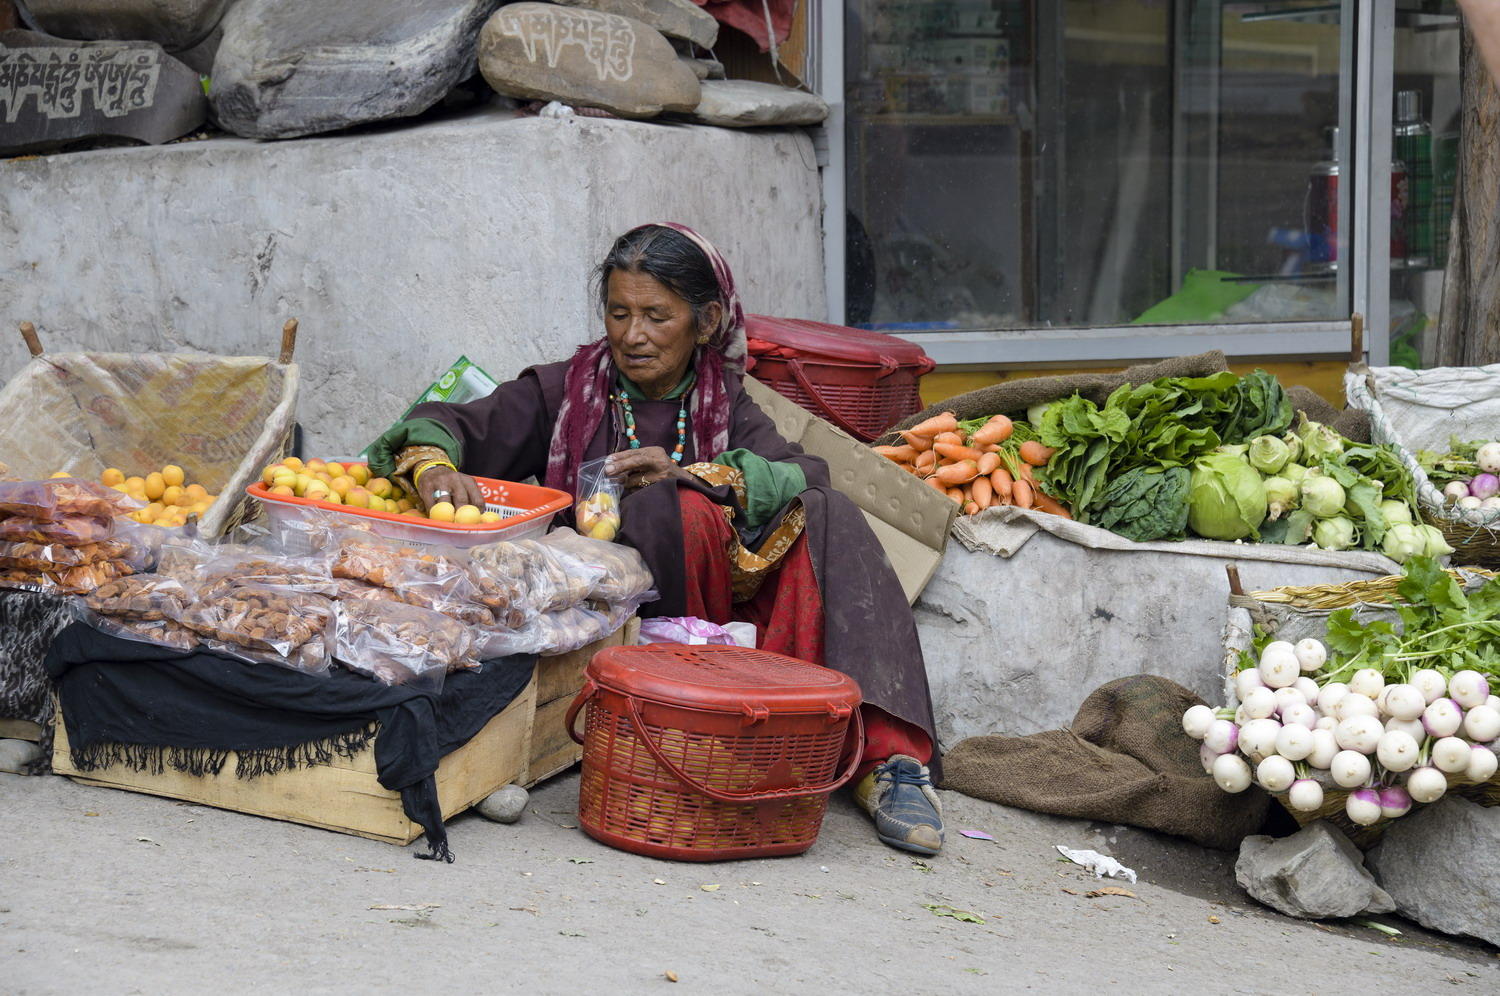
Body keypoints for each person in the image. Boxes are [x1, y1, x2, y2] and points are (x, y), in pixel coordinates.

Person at [368, 223, 945, 855]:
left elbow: (802, 473)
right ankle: (674, 730)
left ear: (706, 321)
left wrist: (691, 474)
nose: (632, 335)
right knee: (675, 512)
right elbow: (446, 420)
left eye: (655, 316)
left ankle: (888, 762)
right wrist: (433, 464)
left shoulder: (725, 403)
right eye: (619, 313)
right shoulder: (567, 391)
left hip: (714, 623)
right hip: (600, 620)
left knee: (825, 510)